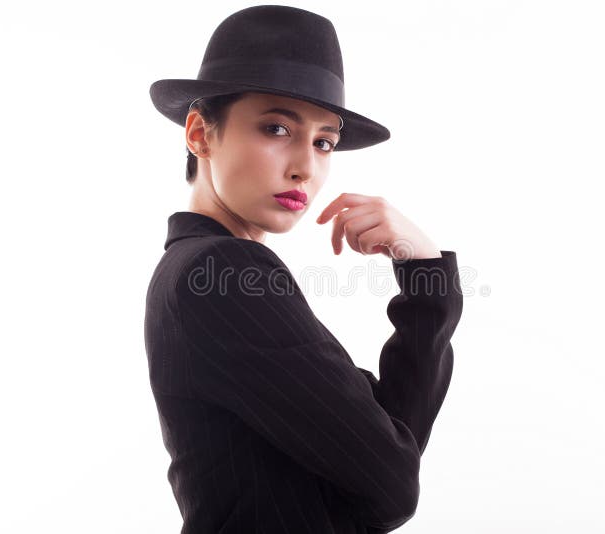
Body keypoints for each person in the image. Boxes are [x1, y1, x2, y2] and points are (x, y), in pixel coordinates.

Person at [144, 5, 464, 533]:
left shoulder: (197, 269)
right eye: (275, 127)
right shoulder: (221, 273)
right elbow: (391, 486)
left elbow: (387, 446)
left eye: (324, 142)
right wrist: (428, 281)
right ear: (200, 133)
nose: (306, 166)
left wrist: (424, 269)